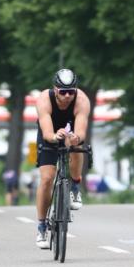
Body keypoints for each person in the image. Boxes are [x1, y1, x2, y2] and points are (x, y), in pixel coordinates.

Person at [35, 68, 91, 248]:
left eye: (71, 92)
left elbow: (81, 131)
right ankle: (42, 226)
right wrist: (54, 137)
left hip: (70, 131)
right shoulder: (44, 99)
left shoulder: (81, 100)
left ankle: (74, 187)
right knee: (47, 178)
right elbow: (47, 131)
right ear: (55, 89)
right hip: (50, 133)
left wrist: (75, 138)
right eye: (63, 92)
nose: (67, 96)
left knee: (77, 146)